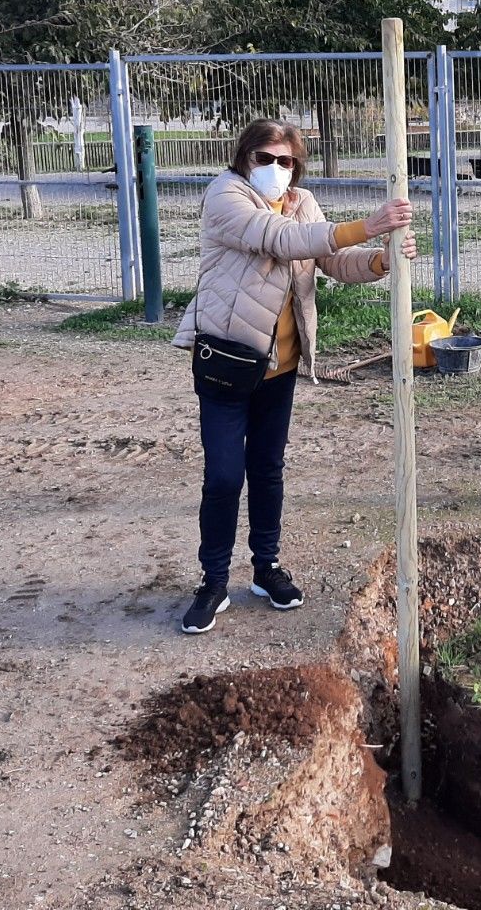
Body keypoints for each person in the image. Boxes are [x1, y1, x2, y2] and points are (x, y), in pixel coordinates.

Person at [172, 119, 415, 634]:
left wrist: (379, 260)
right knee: (222, 476)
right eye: (266, 158)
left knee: (267, 469)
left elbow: (328, 257)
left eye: (286, 161)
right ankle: (213, 582)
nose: (277, 169)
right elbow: (279, 240)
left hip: (279, 367)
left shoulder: (302, 203)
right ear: (244, 159)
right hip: (227, 363)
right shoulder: (226, 198)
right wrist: (367, 225)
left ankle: (266, 568)